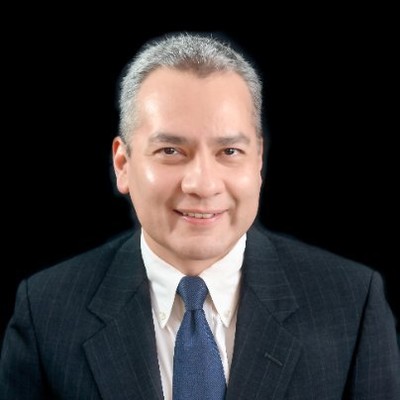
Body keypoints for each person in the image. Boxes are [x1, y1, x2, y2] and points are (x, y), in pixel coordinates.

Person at [0, 31, 399, 400]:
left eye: (229, 152)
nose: (203, 184)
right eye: (171, 151)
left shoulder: (351, 305)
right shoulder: (46, 312)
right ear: (123, 164)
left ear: (258, 160)